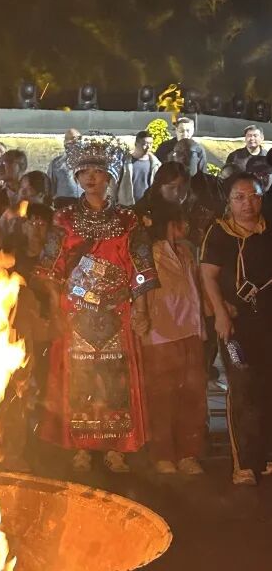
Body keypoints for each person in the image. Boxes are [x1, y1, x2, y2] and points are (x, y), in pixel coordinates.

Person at [36, 134, 156, 474]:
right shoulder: (63, 220)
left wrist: (142, 311)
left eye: (98, 172)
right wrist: (52, 309)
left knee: (115, 380)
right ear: (76, 178)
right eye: (84, 172)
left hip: (118, 311)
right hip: (74, 313)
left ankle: (116, 447)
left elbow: (142, 268)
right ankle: (81, 447)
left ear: (110, 178)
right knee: (79, 378)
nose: (91, 178)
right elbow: (48, 269)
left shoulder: (128, 221)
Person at [199, 173, 272, 485]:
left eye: (253, 196)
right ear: (228, 202)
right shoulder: (220, 233)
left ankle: (266, 456)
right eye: (239, 198)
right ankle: (243, 463)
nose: (248, 204)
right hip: (236, 324)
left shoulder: (268, 229)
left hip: (267, 320)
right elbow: (209, 276)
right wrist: (220, 314)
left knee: (267, 386)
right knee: (242, 388)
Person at [137, 202, 206, 475]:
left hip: (189, 329)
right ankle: (163, 453)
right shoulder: (149, 254)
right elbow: (140, 289)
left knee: (192, 393)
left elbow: (196, 286)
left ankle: (189, 453)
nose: (185, 228)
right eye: (179, 223)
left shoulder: (187, 251)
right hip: (160, 332)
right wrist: (141, 318)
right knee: (162, 395)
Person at [117, 130, 161, 206]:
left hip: (147, 206)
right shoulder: (124, 162)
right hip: (127, 206)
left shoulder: (156, 164)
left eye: (150, 144)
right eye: (144, 144)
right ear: (136, 144)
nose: (148, 147)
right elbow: (114, 183)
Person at [46, 129, 83, 203]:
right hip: (63, 205)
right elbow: (50, 189)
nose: (74, 142)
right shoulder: (56, 164)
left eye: (78, 139)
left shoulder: (88, 162)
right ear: (65, 142)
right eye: (71, 139)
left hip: (85, 205)